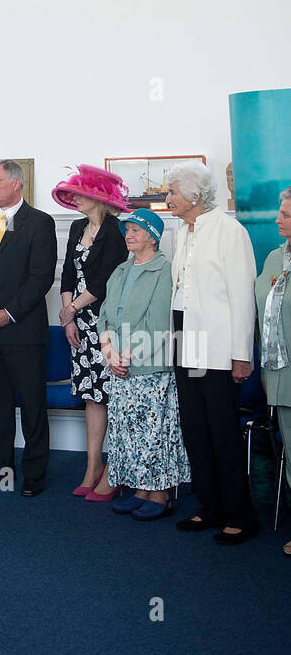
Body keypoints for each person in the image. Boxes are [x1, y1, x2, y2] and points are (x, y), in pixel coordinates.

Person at [166, 164, 258, 545]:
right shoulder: (183, 231)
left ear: (194, 197)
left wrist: (241, 355)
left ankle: (240, 514)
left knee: (221, 431)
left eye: (172, 192)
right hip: (186, 338)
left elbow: (242, 297)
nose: (167, 198)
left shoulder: (229, 231)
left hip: (219, 346)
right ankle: (210, 506)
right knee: (194, 427)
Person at [0, 160, 57, 496]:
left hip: (22, 332)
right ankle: (2, 468)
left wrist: (6, 314)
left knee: (32, 405)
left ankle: (34, 474)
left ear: (17, 183)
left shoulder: (40, 223)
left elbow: (40, 278)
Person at [96, 208, 189, 519]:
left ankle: (159, 495)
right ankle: (139, 489)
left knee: (154, 432)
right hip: (119, 364)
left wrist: (127, 356)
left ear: (153, 236)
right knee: (127, 431)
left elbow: (159, 323)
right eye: (127, 230)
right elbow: (104, 316)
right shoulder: (121, 270)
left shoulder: (164, 270)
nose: (129, 235)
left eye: (136, 230)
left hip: (150, 365)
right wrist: (109, 352)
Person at [51, 164, 129, 499]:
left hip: (107, 323)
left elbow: (104, 282)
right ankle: (91, 466)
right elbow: (67, 274)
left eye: (81, 193)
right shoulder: (75, 227)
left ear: (97, 197)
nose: (75, 199)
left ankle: (116, 469)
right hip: (79, 324)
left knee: (113, 393)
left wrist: (73, 309)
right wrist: (68, 318)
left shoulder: (116, 230)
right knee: (91, 396)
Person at [254, 186, 291, 556]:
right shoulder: (273, 259)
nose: (277, 220)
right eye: (280, 212)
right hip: (280, 376)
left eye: (286, 215)